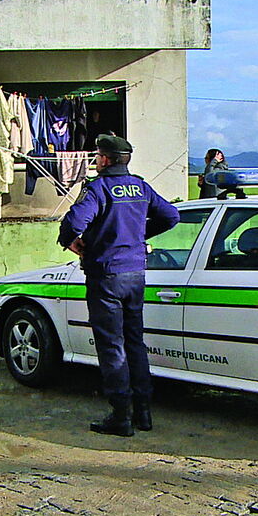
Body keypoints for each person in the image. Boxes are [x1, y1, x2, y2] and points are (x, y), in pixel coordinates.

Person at [59, 134, 179, 437]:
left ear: (105, 159)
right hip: (135, 274)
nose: (96, 160)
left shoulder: (98, 188)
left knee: (112, 345)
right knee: (134, 342)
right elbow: (171, 216)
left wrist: (69, 240)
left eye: (97, 156)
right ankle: (144, 413)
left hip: (107, 275)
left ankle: (121, 416)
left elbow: (74, 223)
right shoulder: (140, 186)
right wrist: (138, 235)